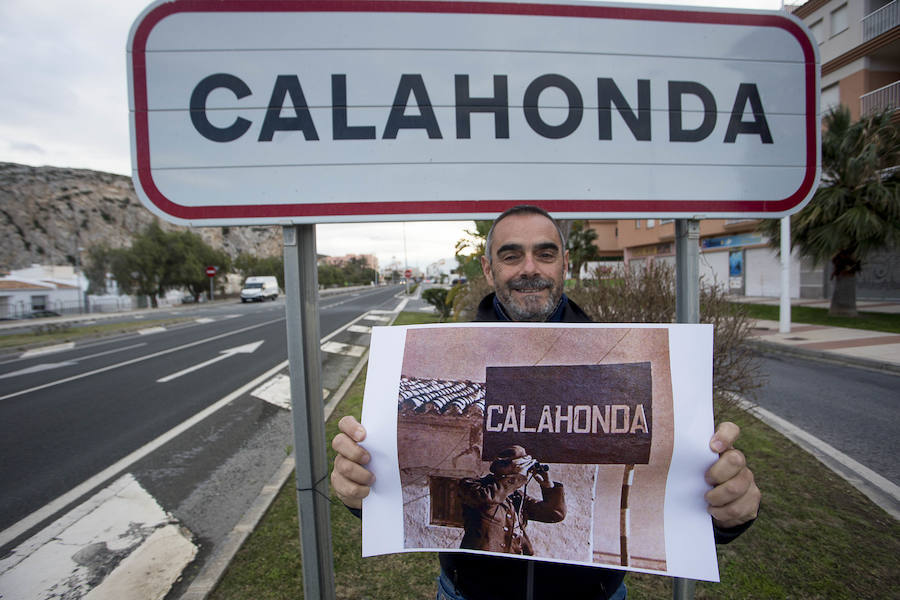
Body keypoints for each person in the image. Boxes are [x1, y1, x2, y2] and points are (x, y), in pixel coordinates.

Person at [331, 205, 761, 600]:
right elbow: (421, 498)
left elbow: (556, 514)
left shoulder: (614, 368)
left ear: (565, 264)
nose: (529, 268)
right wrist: (361, 490)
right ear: (488, 268)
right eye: (511, 255)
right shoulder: (478, 487)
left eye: (545, 253)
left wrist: (728, 513)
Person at [458, 445, 565, 556]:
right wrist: (515, 478)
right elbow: (488, 499)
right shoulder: (471, 485)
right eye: (521, 466)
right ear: (504, 467)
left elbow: (555, 514)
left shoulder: (516, 497)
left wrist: (548, 486)